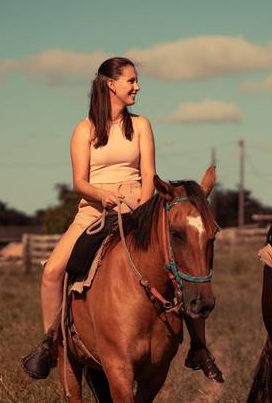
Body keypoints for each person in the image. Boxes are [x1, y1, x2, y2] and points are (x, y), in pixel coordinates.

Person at [22, 57, 223, 381]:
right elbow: (79, 181)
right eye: (131, 80)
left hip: (138, 207)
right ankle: (51, 343)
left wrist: (142, 209)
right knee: (53, 271)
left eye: (136, 80)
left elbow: (148, 174)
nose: (137, 86)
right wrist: (102, 197)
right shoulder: (84, 129)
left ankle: (199, 346)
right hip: (94, 209)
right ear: (110, 84)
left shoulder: (141, 125)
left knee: (181, 264)